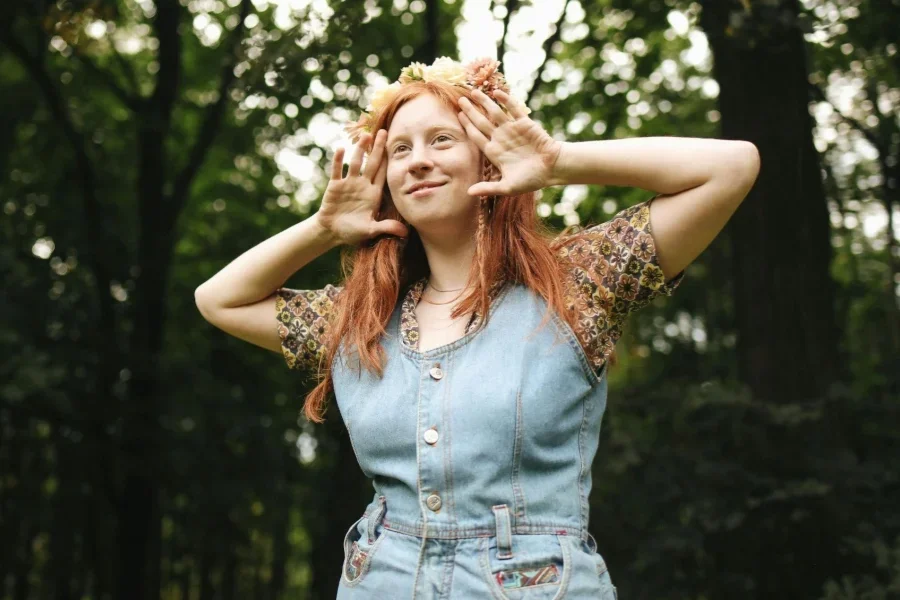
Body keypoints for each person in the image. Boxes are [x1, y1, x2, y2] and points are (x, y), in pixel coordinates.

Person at [195, 56, 760, 599]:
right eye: (399, 149)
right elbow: (218, 299)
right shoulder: (357, 318)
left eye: (442, 139)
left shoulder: (577, 285)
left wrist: (556, 159)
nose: (417, 160)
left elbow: (731, 167)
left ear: (489, 155)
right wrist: (324, 227)